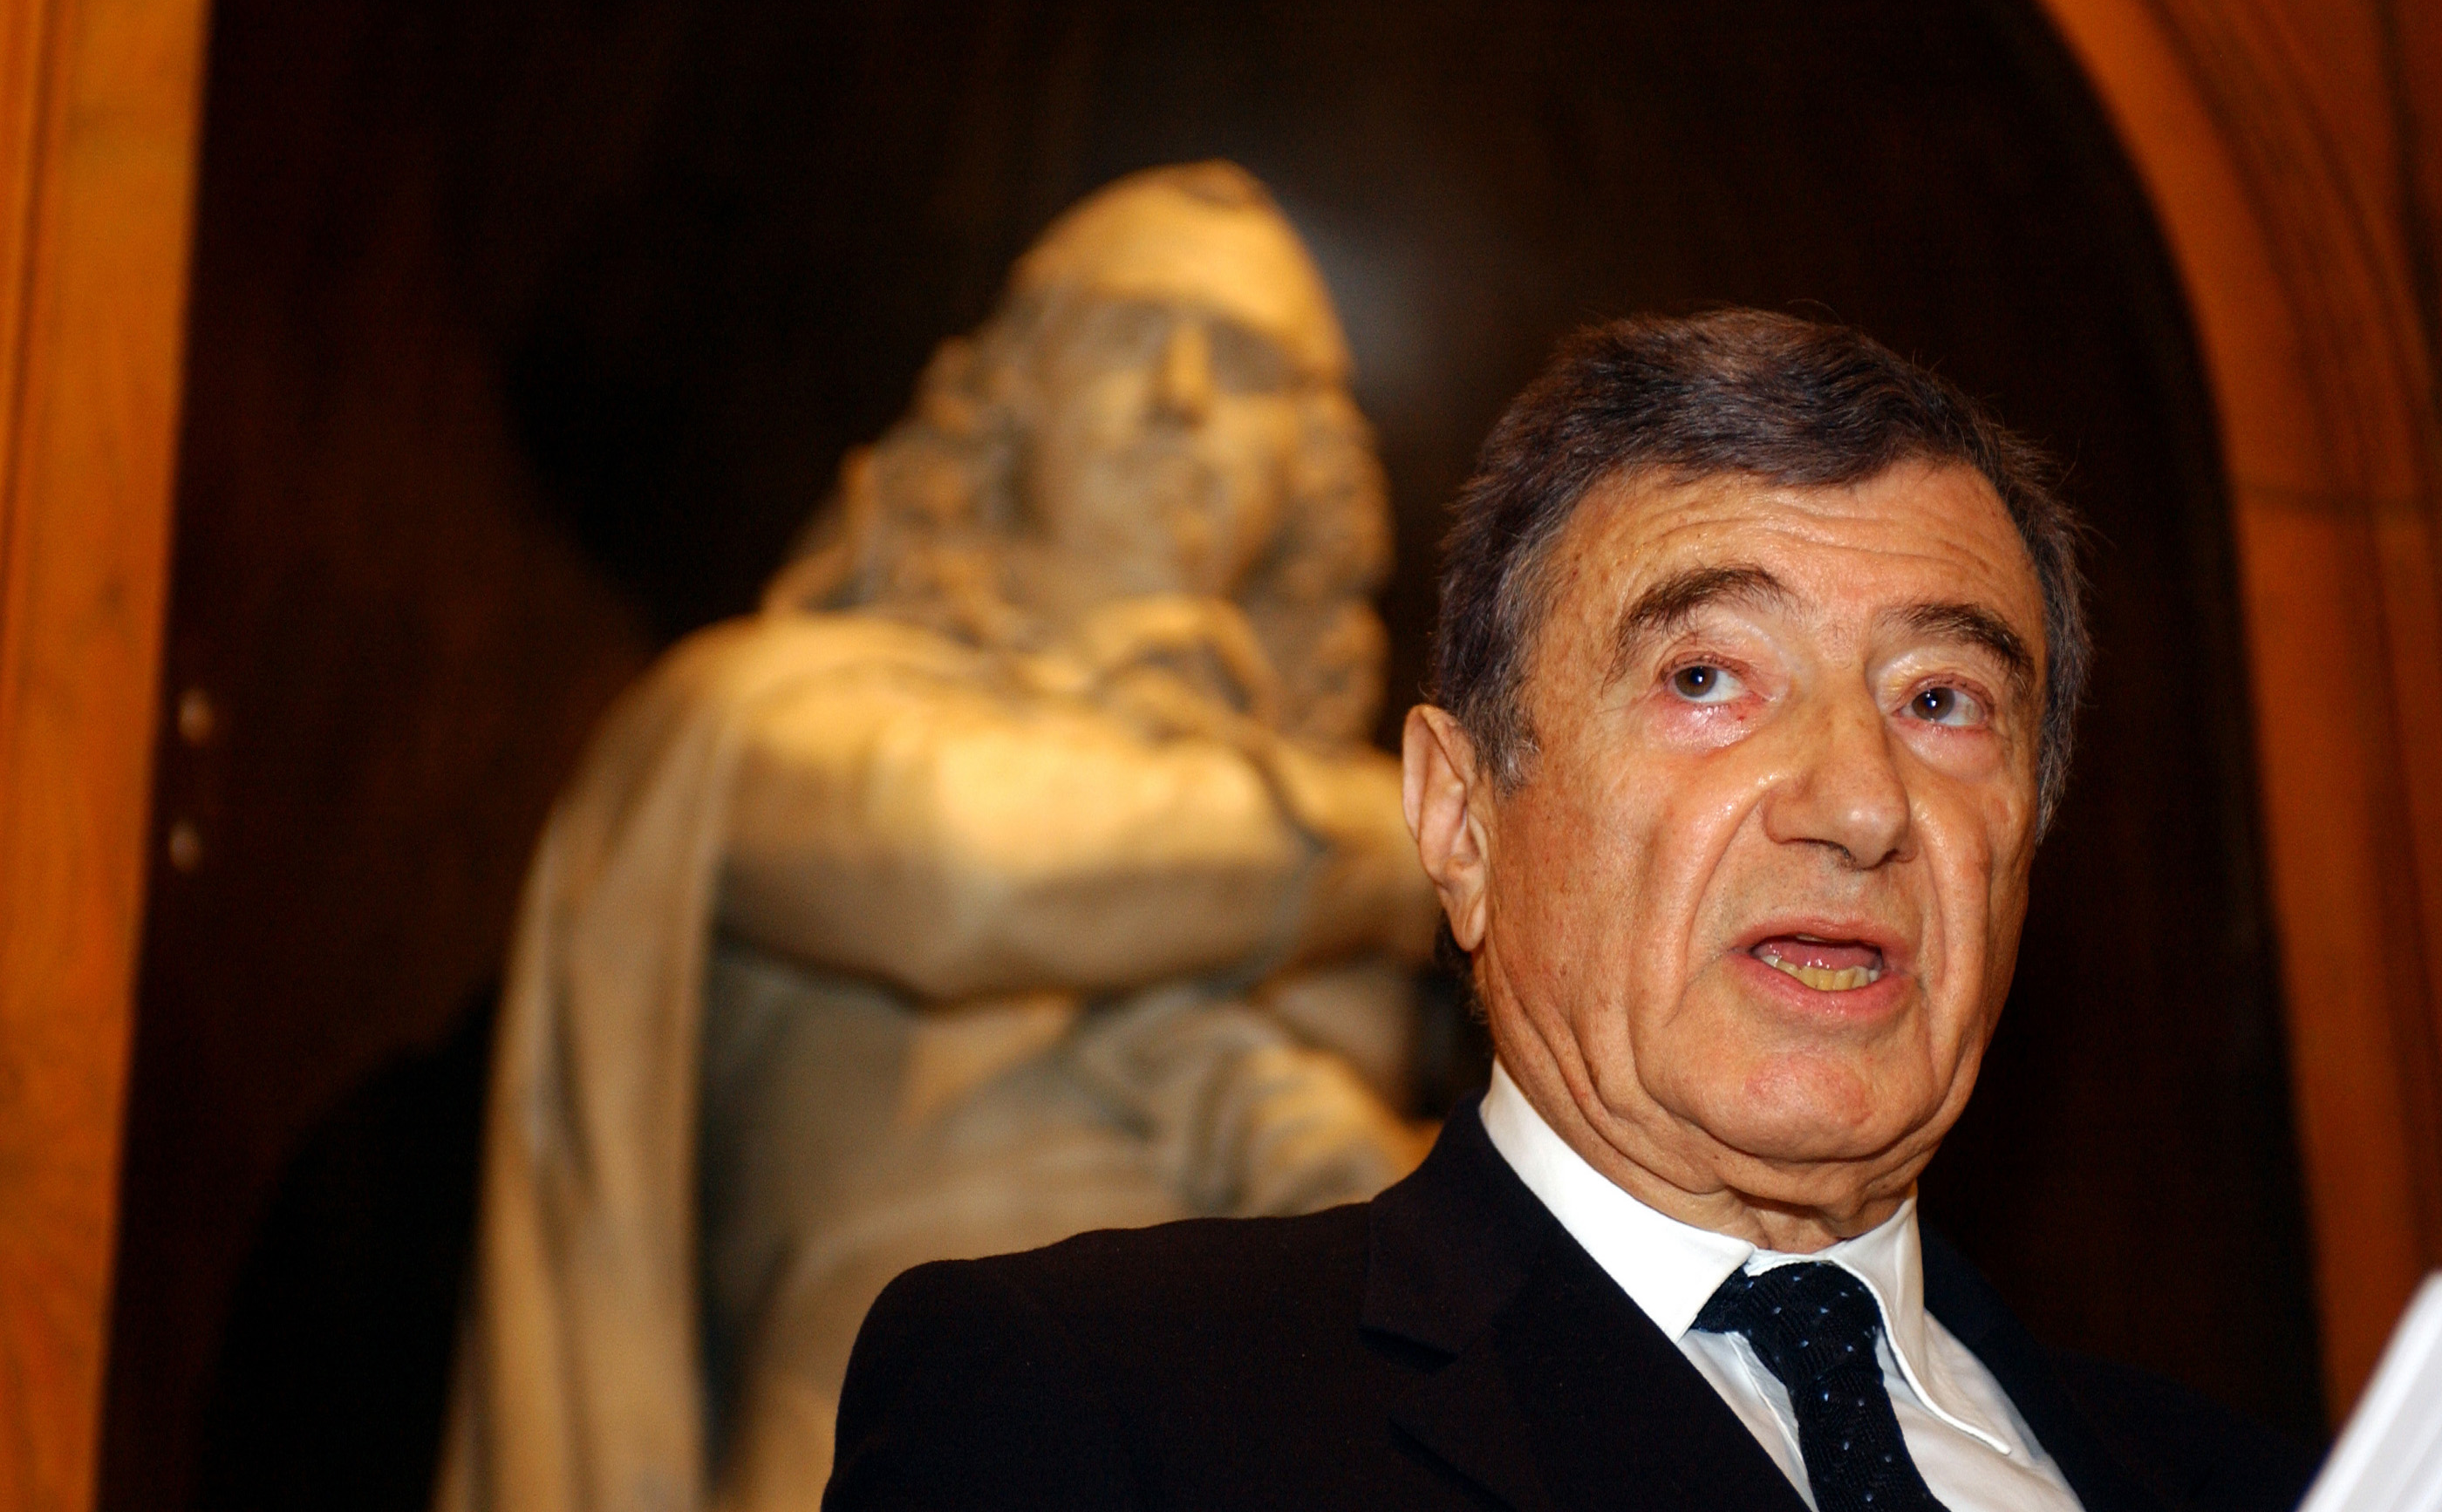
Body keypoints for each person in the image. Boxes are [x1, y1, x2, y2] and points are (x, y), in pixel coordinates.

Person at [822, 310, 2321, 1512]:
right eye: (1707, 679)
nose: (1860, 804)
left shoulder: (2253, 1486)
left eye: (1941, 701)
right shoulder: (1105, 1408)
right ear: (1460, 820)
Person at [434, 163, 1439, 1512]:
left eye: (1249, 369)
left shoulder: (1344, 817)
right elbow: (968, 871)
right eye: (1128, 337)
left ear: (1310, 464)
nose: (1183, 399)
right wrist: (1421, 840)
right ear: (1006, 395)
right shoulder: (756, 713)